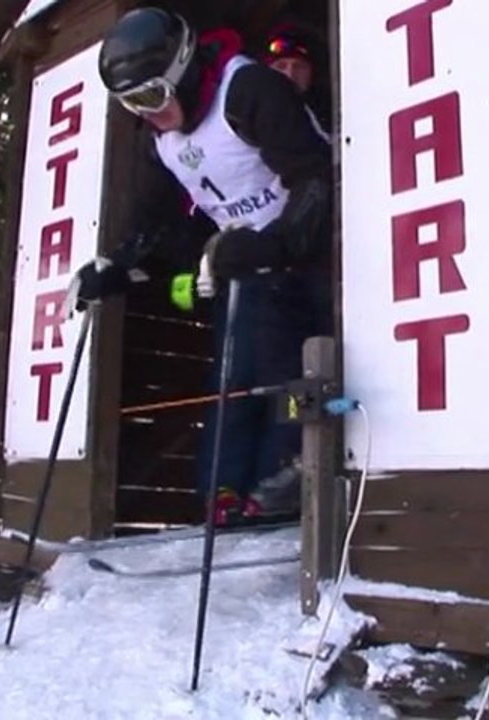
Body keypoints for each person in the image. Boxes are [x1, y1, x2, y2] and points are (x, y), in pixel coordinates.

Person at [74, 7, 332, 525]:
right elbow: (157, 222)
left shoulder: (249, 91)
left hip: (310, 254)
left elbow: (316, 177)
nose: (146, 113)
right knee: (234, 377)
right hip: (243, 264)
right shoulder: (162, 139)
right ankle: (224, 491)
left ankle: (284, 478)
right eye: (131, 103)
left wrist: (277, 244)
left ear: (184, 70)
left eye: (151, 96)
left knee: (291, 370)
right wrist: (118, 266)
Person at [261, 22, 332, 143]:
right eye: (281, 66)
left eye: (299, 67)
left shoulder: (330, 112)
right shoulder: (255, 115)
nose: (290, 74)